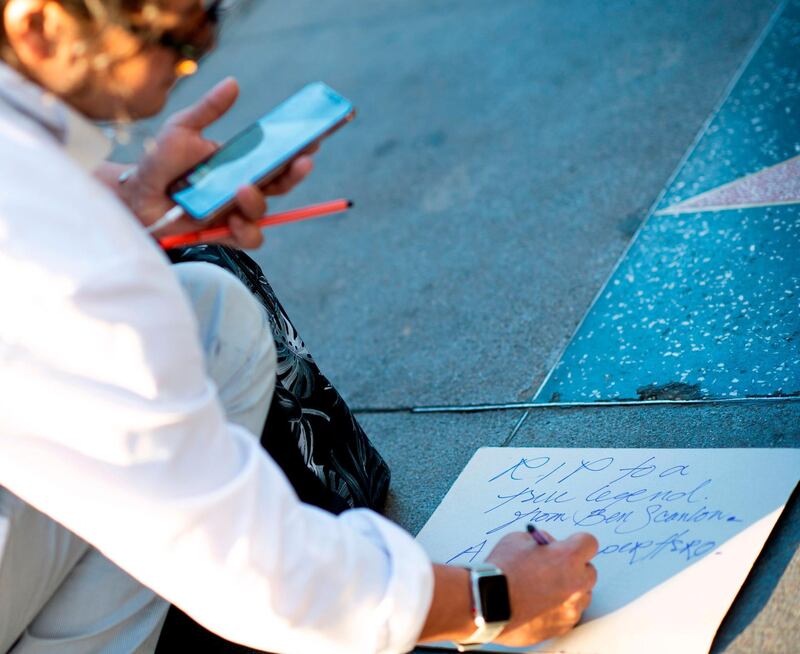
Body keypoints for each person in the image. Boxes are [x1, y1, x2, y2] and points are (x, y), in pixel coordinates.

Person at [0, 1, 599, 653]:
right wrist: (497, 598)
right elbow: (250, 567)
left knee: (210, 309)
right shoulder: (61, 256)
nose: (194, 55)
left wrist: (139, 195)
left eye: (210, 17)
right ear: (38, 26)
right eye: (174, 34)